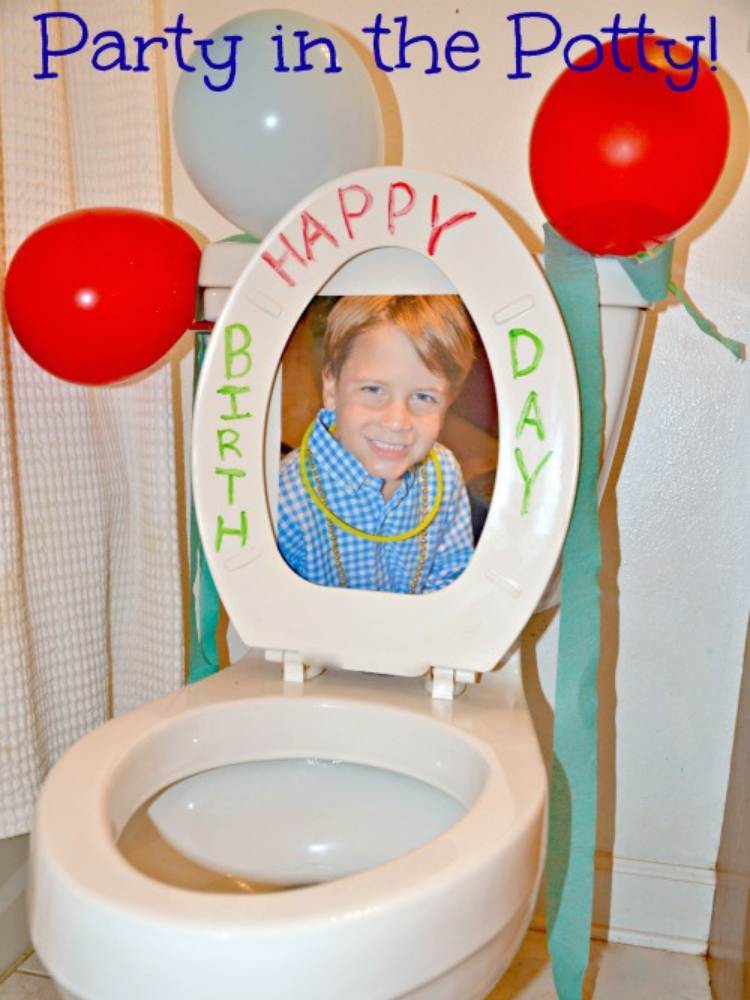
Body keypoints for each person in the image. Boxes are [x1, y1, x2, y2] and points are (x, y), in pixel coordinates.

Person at [277, 295, 476, 594]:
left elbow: (451, 577)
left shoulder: (445, 473)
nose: (397, 422)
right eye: (373, 389)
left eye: (424, 397)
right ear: (331, 387)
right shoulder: (288, 495)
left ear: (449, 401)